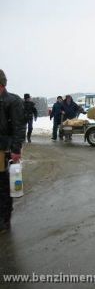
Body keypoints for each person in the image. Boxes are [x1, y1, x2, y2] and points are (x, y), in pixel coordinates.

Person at [0, 69, 26, 233]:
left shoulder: (13, 101)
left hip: (4, 149)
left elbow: (19, 127)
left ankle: (4, 220)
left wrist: (16, 150)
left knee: (2, 186)